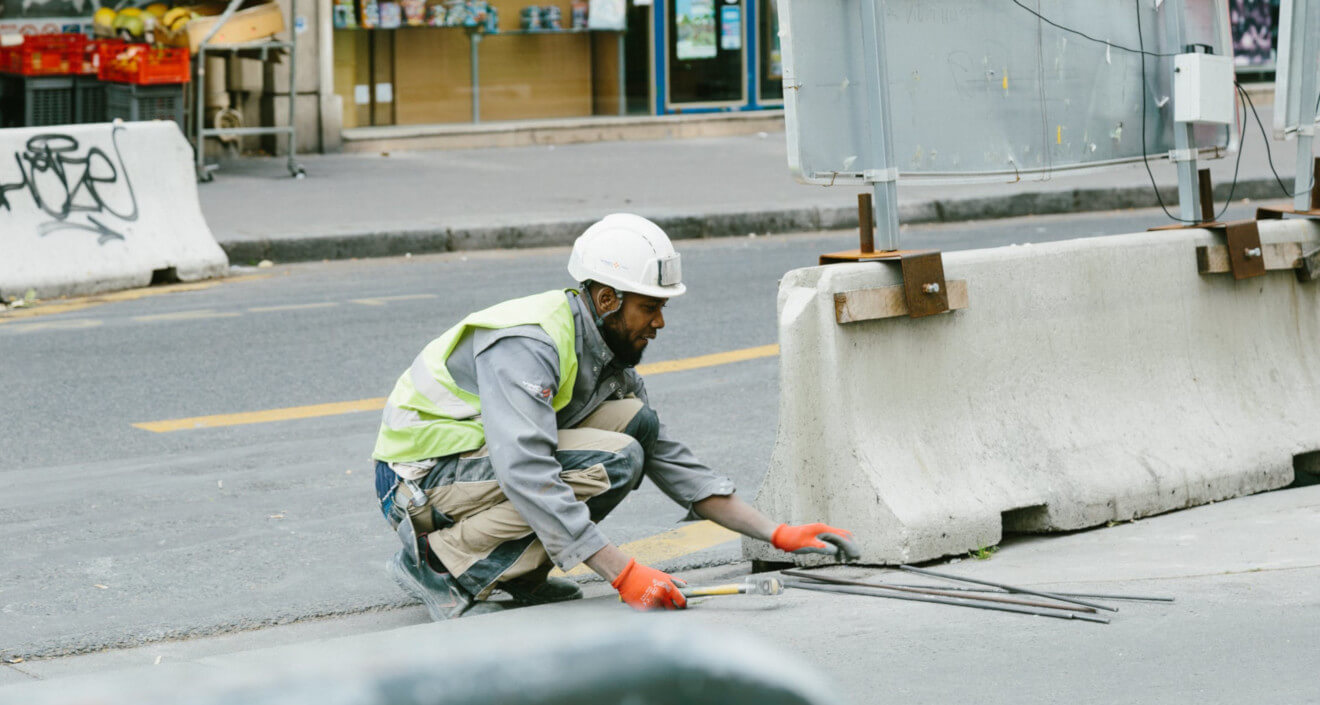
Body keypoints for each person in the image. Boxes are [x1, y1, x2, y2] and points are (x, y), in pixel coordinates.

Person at [371, 213, 858, 620]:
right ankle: (439, 566)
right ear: (607, 300)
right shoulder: (530, 343)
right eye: (650, 307)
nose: (660, 322)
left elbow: (671, 460)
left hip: (470, 469)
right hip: (417, 482)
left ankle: (516, 574)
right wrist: (623, 574)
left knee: (635, 426)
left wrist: (776, 533)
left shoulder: (606, 354)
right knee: (616, 458)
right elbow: (526, 470)